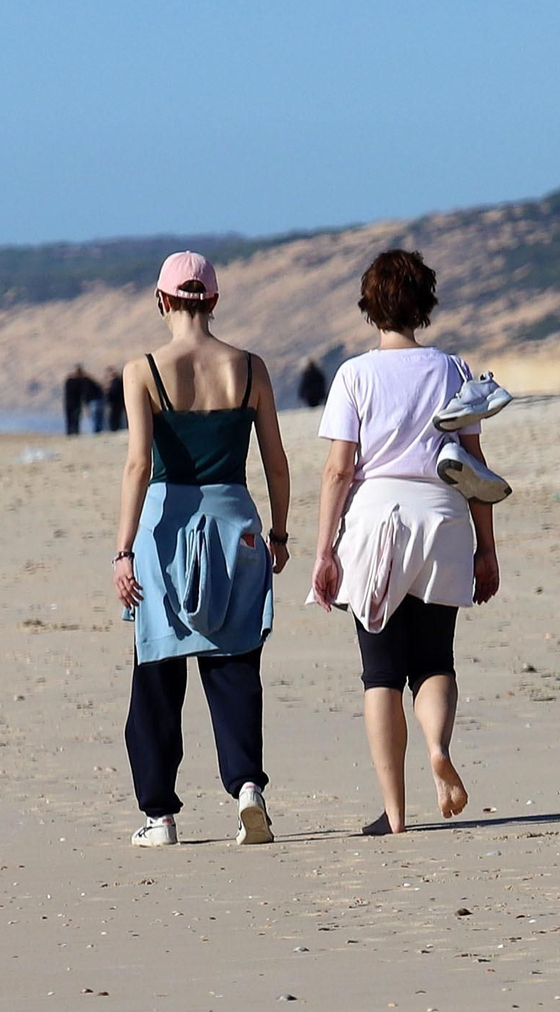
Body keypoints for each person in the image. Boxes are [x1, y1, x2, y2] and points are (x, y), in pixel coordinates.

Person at [309, 250, 501, 835]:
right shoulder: (454, 371)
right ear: (426, 305)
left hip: (377, 523)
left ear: (371, 308)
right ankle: (437, 748)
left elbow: (340, 470)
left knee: (381, 671)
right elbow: (474, 464)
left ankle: (394, 814)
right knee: (435, 657)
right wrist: (486, 548)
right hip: (442, 514)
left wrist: (323, 550)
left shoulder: (355, 375)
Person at [112, 251, 291, 848]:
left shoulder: (143, 370)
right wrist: (280, 534)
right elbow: (275, 461)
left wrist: (122, 551)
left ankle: (159, 816)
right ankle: (247, 790)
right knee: (234, 662)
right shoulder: (249, 367)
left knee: (158, 670)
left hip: (167, 524)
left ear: (162, 301)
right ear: (213, 301)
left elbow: (139, 464)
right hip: (236, 522)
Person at [63, 365, 101, 435]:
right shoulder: (73, 381)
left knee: (75, 418)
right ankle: (71, 432)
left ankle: (73, 432)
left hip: (75, 403)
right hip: (72, 403)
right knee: (72, 418)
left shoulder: (76, 380)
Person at [102, 366, 126, 432]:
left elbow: (114, 392)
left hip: (115, 403)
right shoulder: (115, 381)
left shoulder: (116, 382)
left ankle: (115, 429)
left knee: (114, 417)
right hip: (115, 403)